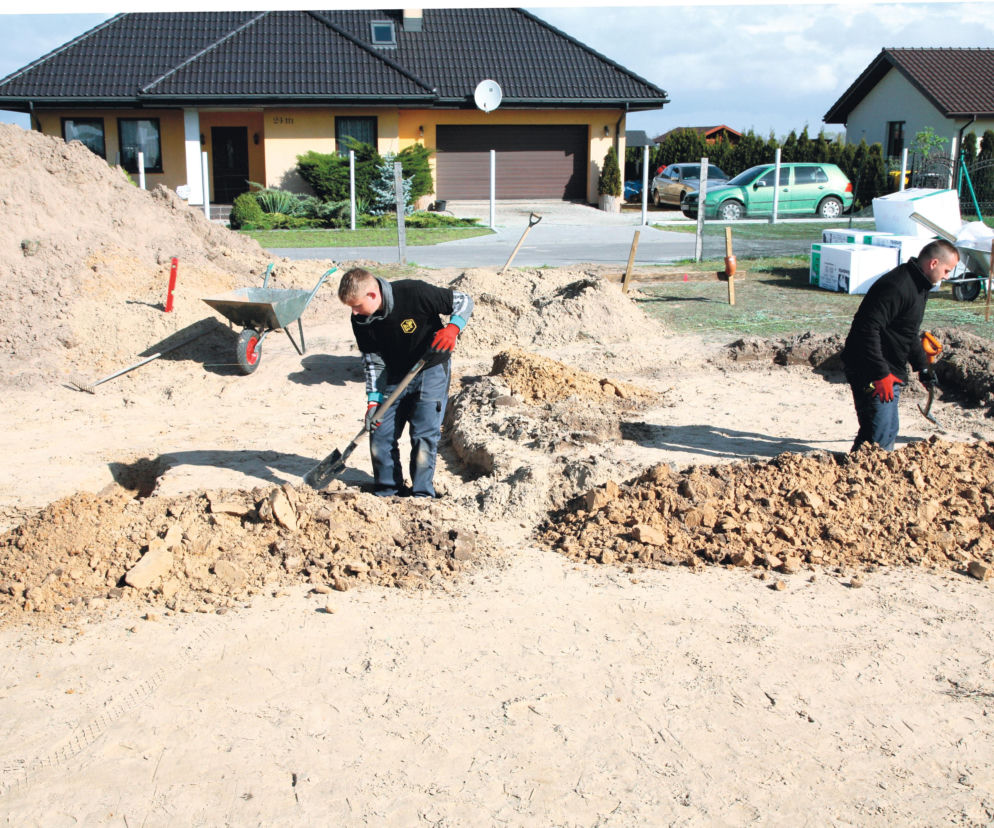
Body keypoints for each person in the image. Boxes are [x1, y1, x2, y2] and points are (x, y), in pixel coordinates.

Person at [338, 267, 473, 498]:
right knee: (380, 432)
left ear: (372, 295)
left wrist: (453, 328)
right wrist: (373, 403)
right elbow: (373, 362)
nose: (355, 312)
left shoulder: (414, 292)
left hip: (430, 367)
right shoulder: (360, 320)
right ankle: (388, 490)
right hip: (393, 374)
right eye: (351, 307)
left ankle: (421, 495)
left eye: (357, 305)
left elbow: (463, 300)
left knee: (423, 435)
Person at [840, 239, 959, 452]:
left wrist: (922, 367)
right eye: (947, 270)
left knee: (883, 429)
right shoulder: (897, 286)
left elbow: (907, 331)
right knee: (880, 434)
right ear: (933, 263)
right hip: (868, 372)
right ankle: (867, 478)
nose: (947, 277)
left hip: (887, 370)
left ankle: (858, 472)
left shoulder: (919, 286)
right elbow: (866, 329)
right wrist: (880, 374)